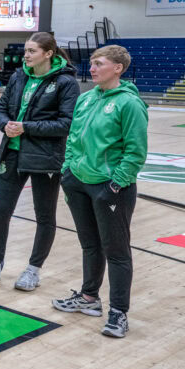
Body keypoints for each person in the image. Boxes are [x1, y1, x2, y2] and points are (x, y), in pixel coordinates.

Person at [52, 45, 148, 339]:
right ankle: (89, 298)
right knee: (90, 245)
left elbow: (135, 152)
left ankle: (119, 313)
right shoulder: (85, 99)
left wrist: (116, 184)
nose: (91, 68)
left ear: (117, 68)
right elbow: (73, 138)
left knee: (116, 251)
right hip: (78, 183)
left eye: (99, 63)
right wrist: (68, 171)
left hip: (111, 189)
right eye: (91, 63)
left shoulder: (129, 104)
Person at [0, 33, 80, 290]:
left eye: (32, 51)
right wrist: (5, 125)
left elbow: (66, 124)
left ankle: (33, 270)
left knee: (44, 216)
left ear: (48, 53)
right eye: (26, 50)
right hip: (11, 152)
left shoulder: (66, 83)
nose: (26, 55)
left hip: (45, 158)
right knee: (0, 212)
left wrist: (27, 127)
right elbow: (1, 109)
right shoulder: (18, 75)